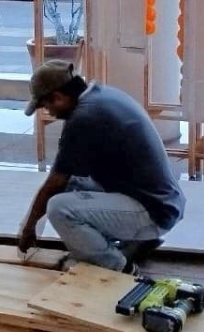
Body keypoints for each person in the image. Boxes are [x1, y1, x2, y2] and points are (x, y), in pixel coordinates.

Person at [17, 60, 185, 273]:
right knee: (73, 185)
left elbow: (55, 182)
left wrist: (29, 226)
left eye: (46, 106)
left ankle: (118, 267)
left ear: (58, 97)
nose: (48, 112)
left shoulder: (83, 118)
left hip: (153, 211)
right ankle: (134, 243)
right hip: (162, 201)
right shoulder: (101, 96)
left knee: (59, 208)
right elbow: (64, 180)